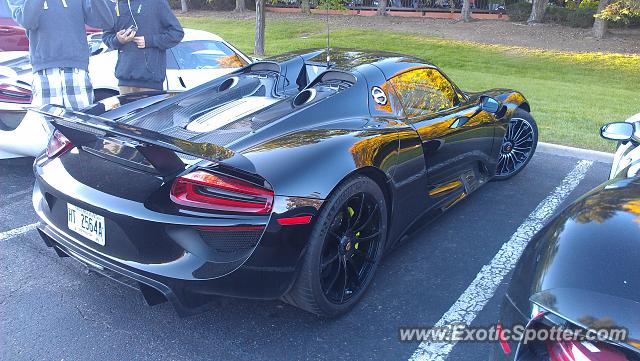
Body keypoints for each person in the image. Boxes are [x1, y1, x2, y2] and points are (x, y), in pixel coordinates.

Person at [8, 0, 114, 110]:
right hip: (44, 72)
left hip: (77, 70)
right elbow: (28, 21)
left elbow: (106, 22)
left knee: (79, 125)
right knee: (47, 125)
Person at [102, 0, 184, 95]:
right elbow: (106, 36)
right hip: (124, 81)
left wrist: (150, 41)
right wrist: (118, 40)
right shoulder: (115, 5)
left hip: (151, 82)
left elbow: (177, 33)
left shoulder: (157, 2)